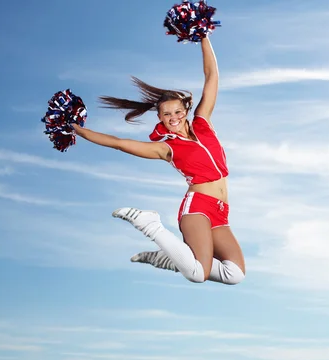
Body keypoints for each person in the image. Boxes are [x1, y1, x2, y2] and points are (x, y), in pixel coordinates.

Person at [71, 37, 246, 285]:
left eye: (176, 111)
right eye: (166, 114)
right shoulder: (166, 148)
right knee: (198, 274)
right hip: (197, 207)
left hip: (221, 211)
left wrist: (204, 37)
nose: (173, 117)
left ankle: (167, 259)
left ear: (185, 109)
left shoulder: (203, 123)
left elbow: (212, 76)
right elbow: (119, 143)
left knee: (235, 274)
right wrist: (79, 130)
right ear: (160, 118)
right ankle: (149, 224)